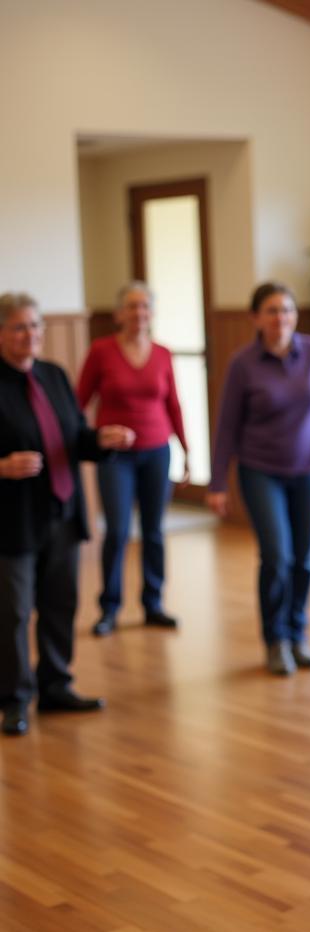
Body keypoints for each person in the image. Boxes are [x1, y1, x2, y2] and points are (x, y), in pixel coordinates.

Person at [207, 281, 310, 676]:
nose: (282, 318)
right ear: (256, 318)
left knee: (304, 562)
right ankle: (275, 640)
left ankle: (297, 635)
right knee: (277, 557)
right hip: (260, 471)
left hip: (309, 470)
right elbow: (226, 426)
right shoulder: (243, 364)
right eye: (273, 311)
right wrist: (216, 483)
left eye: (288, 310)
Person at [0, 293, 135, 737]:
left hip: (62, 511)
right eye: (21, 327)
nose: (32, 335)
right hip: (13, 520)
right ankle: (15, 700)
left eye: (36, 326)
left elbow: (74, 437)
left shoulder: (53, 376)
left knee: (61, 605)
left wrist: (102, 440)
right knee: (14, 613)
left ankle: (55, 686)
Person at [76, 281, 189, 636]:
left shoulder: (162, 353)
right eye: (132, 306)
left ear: (152, 313)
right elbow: (76, 403)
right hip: (116, 457)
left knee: (154, 531)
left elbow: (174, 404)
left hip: (157, 451)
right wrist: (87, 440)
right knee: (118, 530)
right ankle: (109, 607)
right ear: (119, 313)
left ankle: (153, 604)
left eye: (145, 306)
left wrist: (186, 450)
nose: (139, 313)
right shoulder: (101, 351)